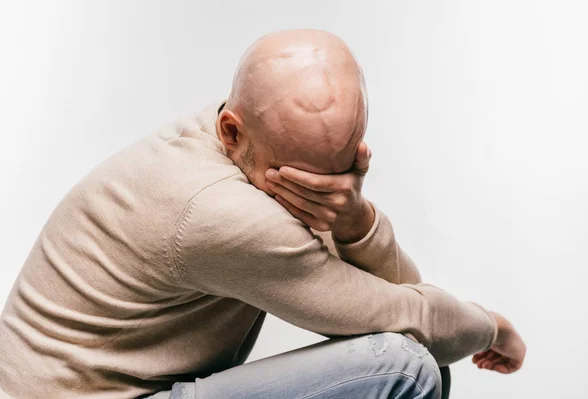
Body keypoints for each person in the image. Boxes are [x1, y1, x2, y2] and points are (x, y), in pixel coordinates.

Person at [0, 29, 526, 399]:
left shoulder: (237, 133)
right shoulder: (220, 211)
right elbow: (410, 319)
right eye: (300, 178)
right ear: (232, 130)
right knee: (403, 367)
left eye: (342, 174)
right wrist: (494, 327)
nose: (324, 193)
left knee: (424, 363)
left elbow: (404, 299)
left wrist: (354, 220)